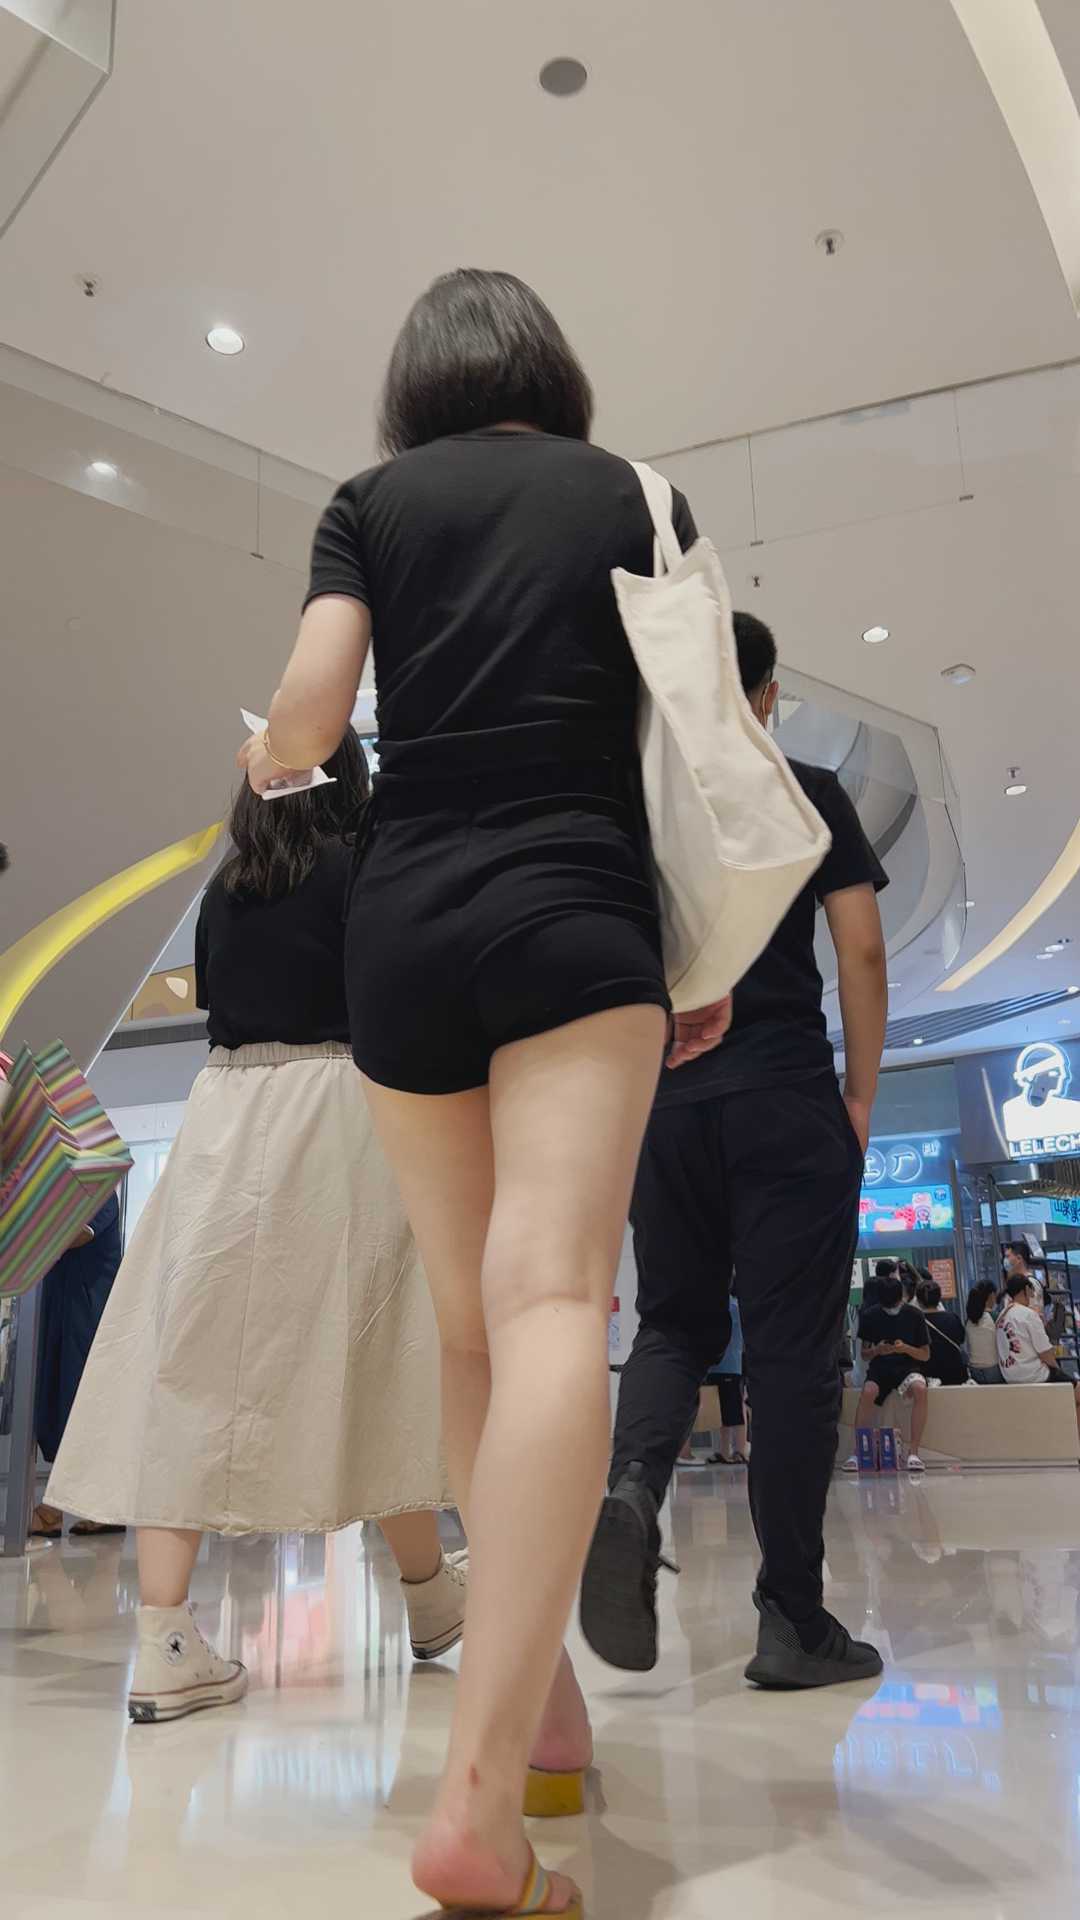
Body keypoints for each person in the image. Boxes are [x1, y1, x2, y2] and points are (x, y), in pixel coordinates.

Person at [238, 268, 731, 1920]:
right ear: (550, 367)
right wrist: (704, 955)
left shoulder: (368, 503)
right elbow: (701, 745)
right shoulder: (634, 493)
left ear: (416, 383)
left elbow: (312, 719)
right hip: (576, 901)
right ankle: (477, 1805)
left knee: (469, 1329)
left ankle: (547, 1714)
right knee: (556, 1303)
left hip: (404, 928)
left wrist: (269, 754)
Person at [48, 732, 464, 1721]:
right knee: (382, 1360)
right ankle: (427, 1593)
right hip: (348, 1112)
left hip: (226, 1116)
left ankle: (166, 1640)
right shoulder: (364, 869)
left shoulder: (226, 888)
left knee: (190, 1370)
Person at [581, 609, 889, 1692]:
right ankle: (792, 1619)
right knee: (792, 1356)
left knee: (673, 1323)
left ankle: (631, 1489)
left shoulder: (634, 811)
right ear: (764, 696)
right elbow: (860, 949)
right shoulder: (808, 789)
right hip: (785, 1098)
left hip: (666, 1106)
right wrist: (860, 1096)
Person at [30, 1194, 123, 1538]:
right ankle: (84, 1506)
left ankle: (61, 1509)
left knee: (79, 1405)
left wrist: (28, 1226)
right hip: (60, 1308)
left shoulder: (100, 1192)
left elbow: (77, 1235)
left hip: (88, 1313)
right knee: (55, 1403)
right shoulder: (61, 1196)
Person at [842, 1271, 931, 1470]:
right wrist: (878, 1350)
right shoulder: (870, 1315)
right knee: (868, 1392)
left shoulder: (915, 1315)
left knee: (920, 1388)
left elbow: (925, 1354)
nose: (890, 1309)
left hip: (908, 1367)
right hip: (880, 1368)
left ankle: (914, 1452)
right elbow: (865, 1354)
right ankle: (858, 1451)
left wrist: (905, 1348)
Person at [996, 1274, 1080, 1436]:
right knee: (1078, 1393)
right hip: (1033, 1374)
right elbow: (1045, 1354)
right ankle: (1076, 1441)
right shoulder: (1028, 1315)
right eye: (1032, 1290)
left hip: (1010, 1375)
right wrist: (1059, 1372)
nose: (1034, 1295)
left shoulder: (1002, 1315)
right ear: (1026, 1290)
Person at [704, 1296, 747, 1466]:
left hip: (729, 1366)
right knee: (722, 1414)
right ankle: (723, 1451)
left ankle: (740, 1451)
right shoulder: (720, 1305)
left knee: (734, 1412)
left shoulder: (733, 1306)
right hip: (716, 1366)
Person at [915, 1276, 969, 1386]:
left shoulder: (915, 1322)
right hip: (955, 1373)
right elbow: (961, 1339)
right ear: (939, 1298)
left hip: (928, 1376)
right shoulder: (952, 1318)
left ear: (918, 1301)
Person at [965, 1279, 1002, 1383]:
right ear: (991, 1295)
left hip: (974, 1369)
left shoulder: (969, 1320)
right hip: (993, 1369)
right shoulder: (995, 1317)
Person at [1002, 1242, 1045, 1316]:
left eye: (1008, 1256)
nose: (1005, 1260)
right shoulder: (1013, 1283)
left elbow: (1034, 1314)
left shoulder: (1030, 1282)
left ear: (1019, 1258)